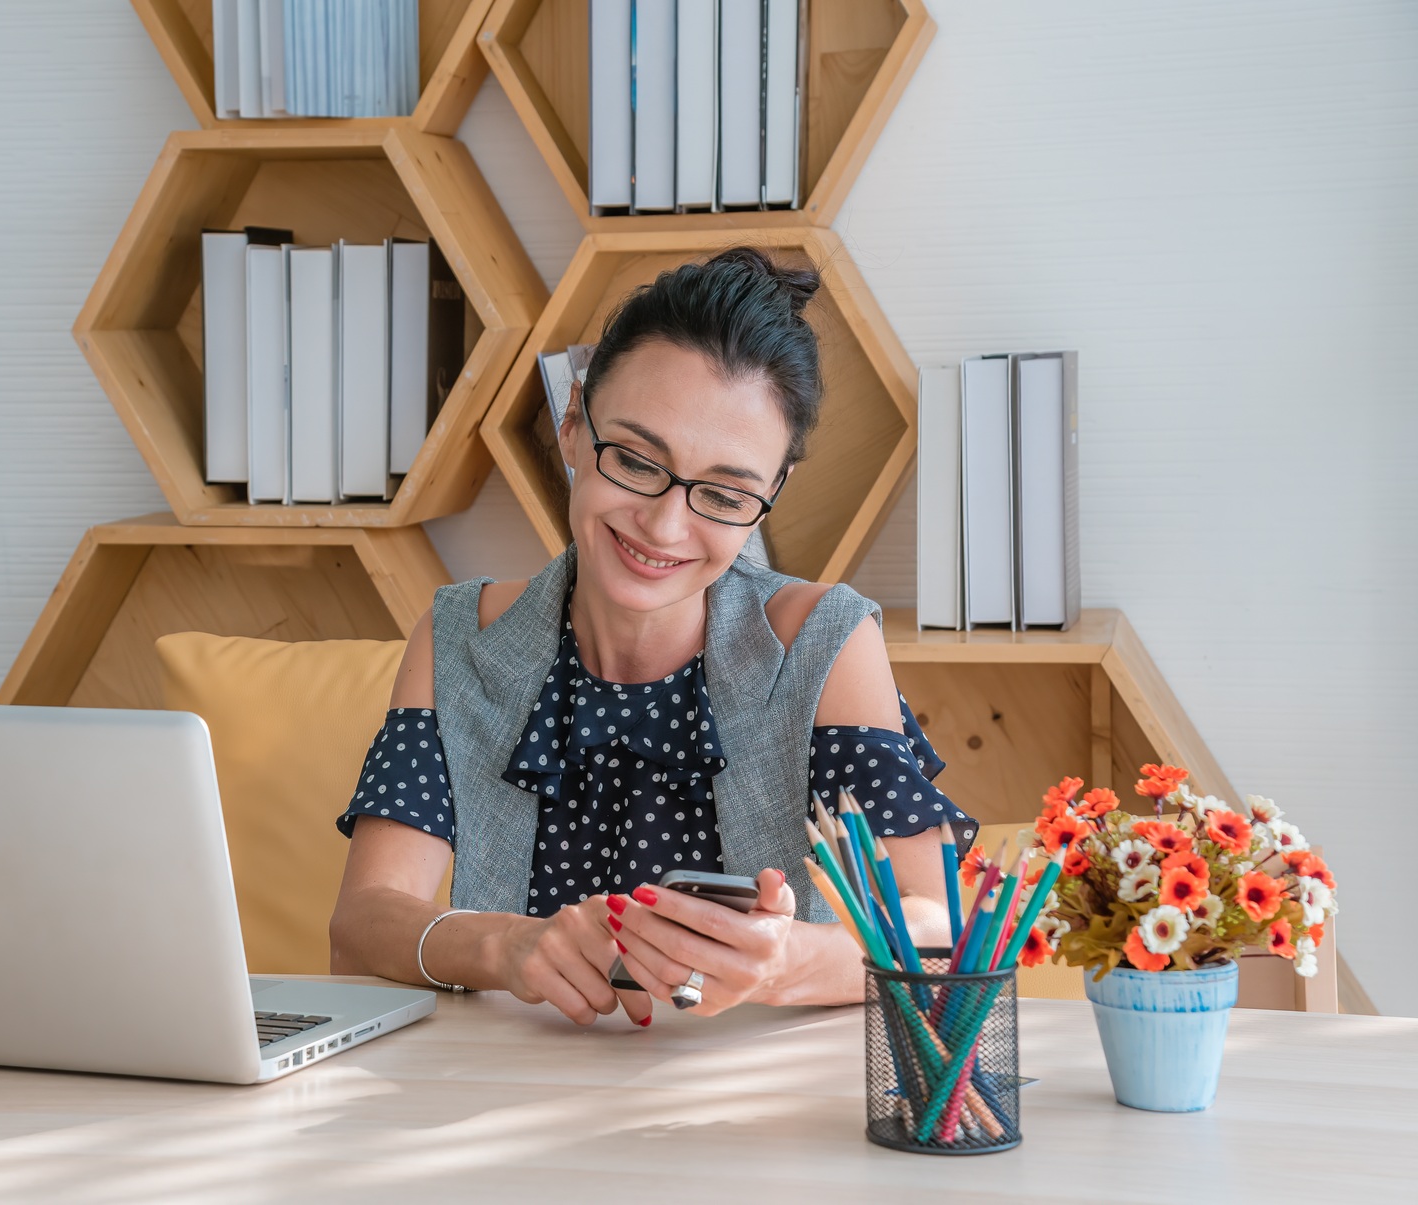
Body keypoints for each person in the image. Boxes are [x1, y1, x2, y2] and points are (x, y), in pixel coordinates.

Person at [328, 248, 977, 1028]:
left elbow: (939, 930)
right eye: (636, 460)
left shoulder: (823, 643)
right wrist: (504, 946)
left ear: (772, 494)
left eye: (726, 493)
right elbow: (362, 925)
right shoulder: (461, 638)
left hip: (748, 1113)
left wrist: (785, 960)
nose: (666, 526)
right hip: (505, 1095)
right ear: (573, 424)